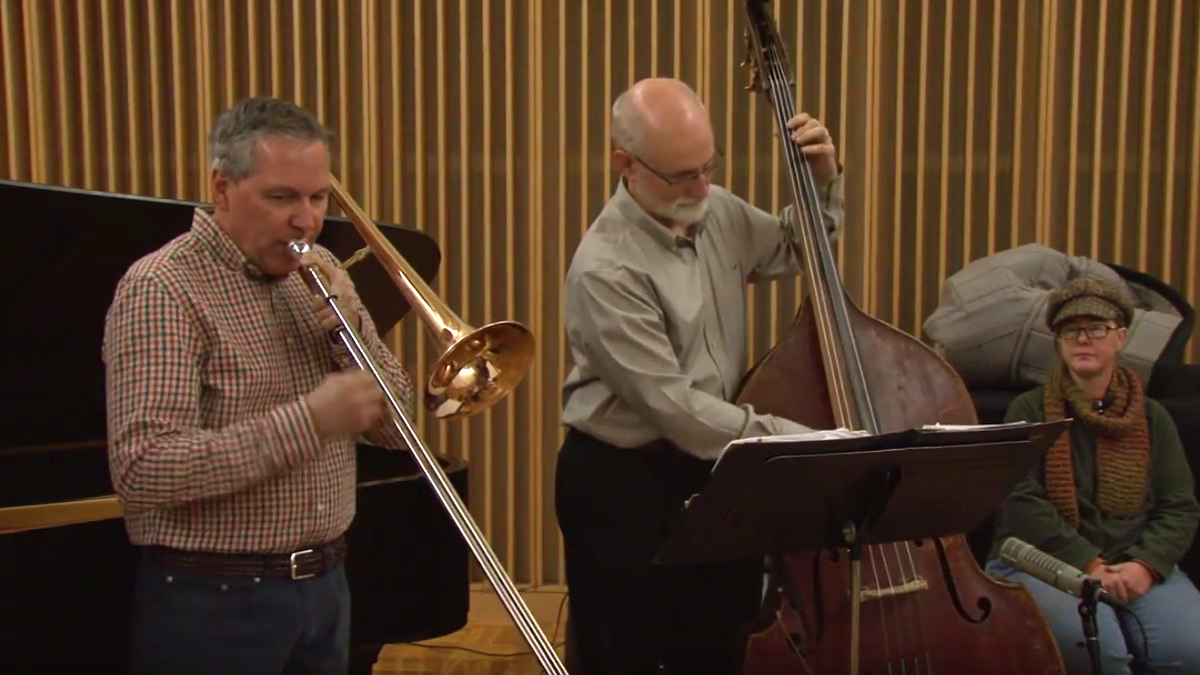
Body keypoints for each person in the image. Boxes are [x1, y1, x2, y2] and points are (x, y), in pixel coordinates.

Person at [103, 97, 417, 675]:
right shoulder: (163, 288)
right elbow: (143, 468)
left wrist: (357, 341)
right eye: (281, 198)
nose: (307, 220)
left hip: (326, 589)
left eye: (317, 197)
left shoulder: (319, 268)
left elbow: (401, 435)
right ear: (223, 189)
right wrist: (311, 421)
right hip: (214, 602)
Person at [555, 77, 845, 674]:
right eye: (683, 175)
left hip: (713, 466)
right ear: (625, 165)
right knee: (631, 654)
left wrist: (822, 178)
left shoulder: (718, 211)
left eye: (708, 165)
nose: (703, 186)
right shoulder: (605, 270)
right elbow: (677, 408)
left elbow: (798, 247)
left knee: (718, 644)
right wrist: (801, 443)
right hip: (623, 485)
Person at [986, 277, 1200, 675]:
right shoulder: (1028, 409)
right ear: (1059, 341)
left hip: (1134, 563)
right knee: (1100, 655)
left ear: (1120, 338)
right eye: (1071, 330)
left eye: (1096, 329)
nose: (1083, 339)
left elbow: (1179, 508)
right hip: (1043, 561)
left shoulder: (1154, 418)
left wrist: (1146, 564)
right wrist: (1089, 563)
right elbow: (1019, 503)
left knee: (1188, 651)